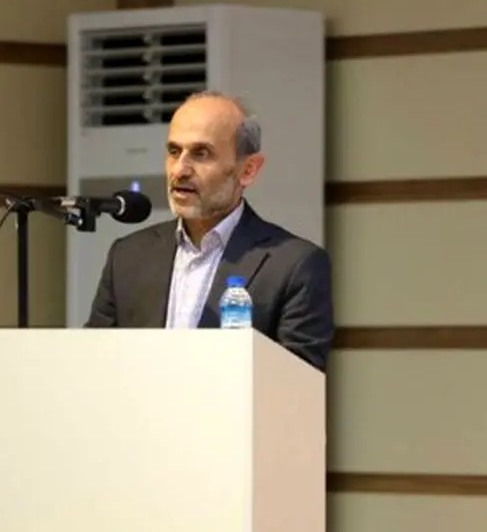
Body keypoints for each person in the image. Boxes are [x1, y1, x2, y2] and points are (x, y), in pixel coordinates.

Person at [84, 90, 334, 372]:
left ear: (248, 170)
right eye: (174, 152)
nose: (180, 170)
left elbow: (296, 382)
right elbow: (94, 364)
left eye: (201, 154)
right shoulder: (127, 257)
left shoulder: (294, 266)